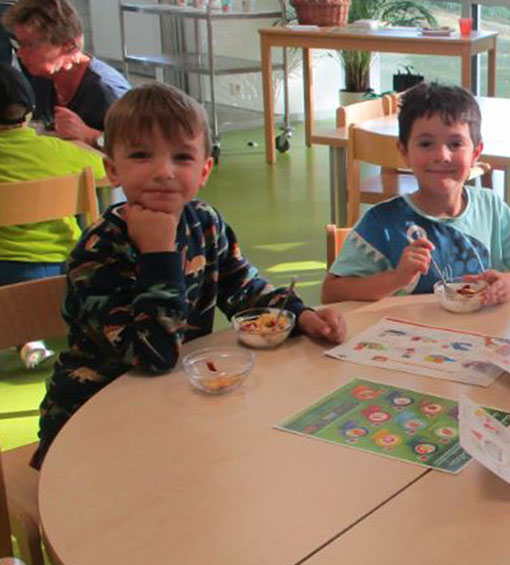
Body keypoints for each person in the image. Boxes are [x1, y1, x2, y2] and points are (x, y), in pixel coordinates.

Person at [34, 83, 347, 468]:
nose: (163, 172)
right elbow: (152, 354)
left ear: (204, 170)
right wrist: (159, 254)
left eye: (181, 157)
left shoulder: (206, 224)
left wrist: (300, 315)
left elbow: (246, 289)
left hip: (170, 408)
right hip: (88, 430)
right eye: (141, 155)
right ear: (112, 169)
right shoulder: (100, 249)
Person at [322, 82, 510, 305]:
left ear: (476, 153)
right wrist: (396, 279)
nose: (441, 155)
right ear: (404, 151)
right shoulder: (382, 222)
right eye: (426, 144)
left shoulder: (490, 207)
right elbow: (332, 292)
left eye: (455, 143)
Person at [0, 59, 104, 368]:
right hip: (66, 272)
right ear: (29, 111)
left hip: (8, 279)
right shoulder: (60, 152)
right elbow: (103, 170)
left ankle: (25, 335)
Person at [3, 0, 129, 146]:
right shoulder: (44, 77)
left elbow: (139, 147)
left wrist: (90, 135)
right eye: (19, 44)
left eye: (29, 45)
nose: (20, 54)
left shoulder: (107, 90)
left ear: (68, 46)